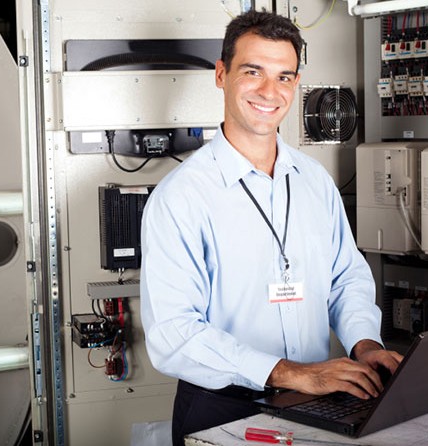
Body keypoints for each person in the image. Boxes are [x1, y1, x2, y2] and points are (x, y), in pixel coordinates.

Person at [140, 9, 403, 445]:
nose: (269, 91)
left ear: (296, 84)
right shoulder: (182, 196)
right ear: (221, 75)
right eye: (253, 71)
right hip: (222, 406)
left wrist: (365, 345)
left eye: (284, 76)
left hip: (313, 401)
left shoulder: (313, 179)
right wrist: (289, 373)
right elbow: (174, 333)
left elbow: (345, 277)